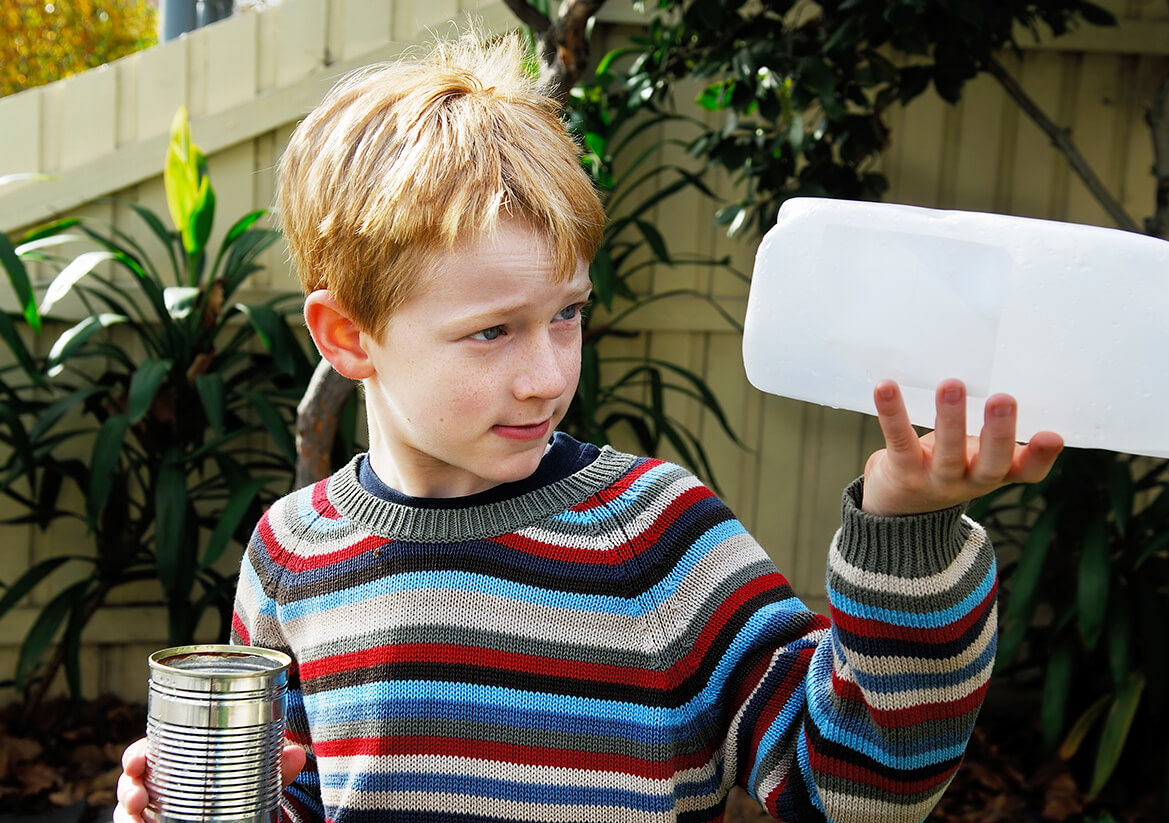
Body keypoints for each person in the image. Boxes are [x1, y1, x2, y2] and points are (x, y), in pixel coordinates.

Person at [114, 28, 1063, 823]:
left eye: (566, 313)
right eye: (492, 331)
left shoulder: (654, 534)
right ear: (349, 335)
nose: (548, 375)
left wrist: (906, 527)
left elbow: (857, 791)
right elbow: (297, 799)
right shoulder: (291, 555)